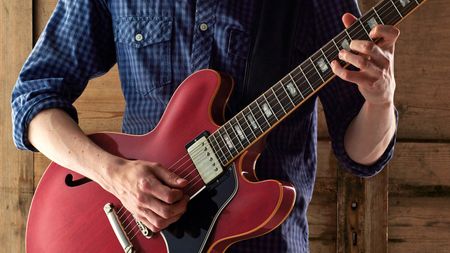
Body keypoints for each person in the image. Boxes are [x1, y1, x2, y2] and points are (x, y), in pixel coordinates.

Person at [11, 0, 399, 252]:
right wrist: (115, 176)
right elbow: (33, 102)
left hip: (263, 242)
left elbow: (361, 155)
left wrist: (380, 99)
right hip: (131, 229)